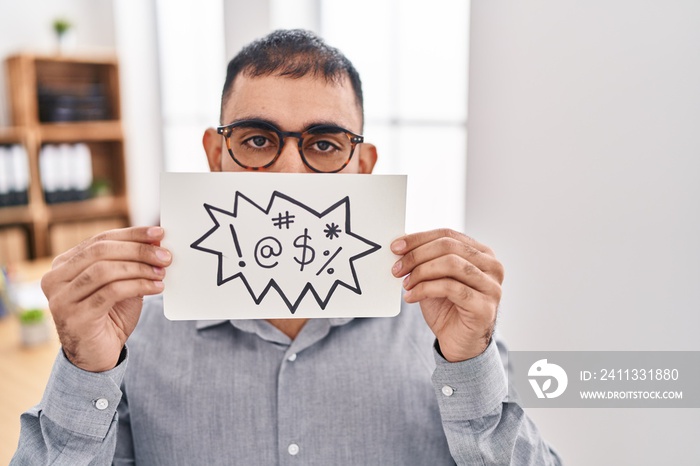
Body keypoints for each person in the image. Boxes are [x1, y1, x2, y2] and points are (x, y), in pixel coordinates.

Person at [13, 29, 561, 465]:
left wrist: (469, 367)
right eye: (257, 140)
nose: (291, 171)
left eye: (325, 144)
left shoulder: (440, 322)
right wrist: (84, 369)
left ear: (363, 168)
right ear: (215, 155)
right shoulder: (134, 329)